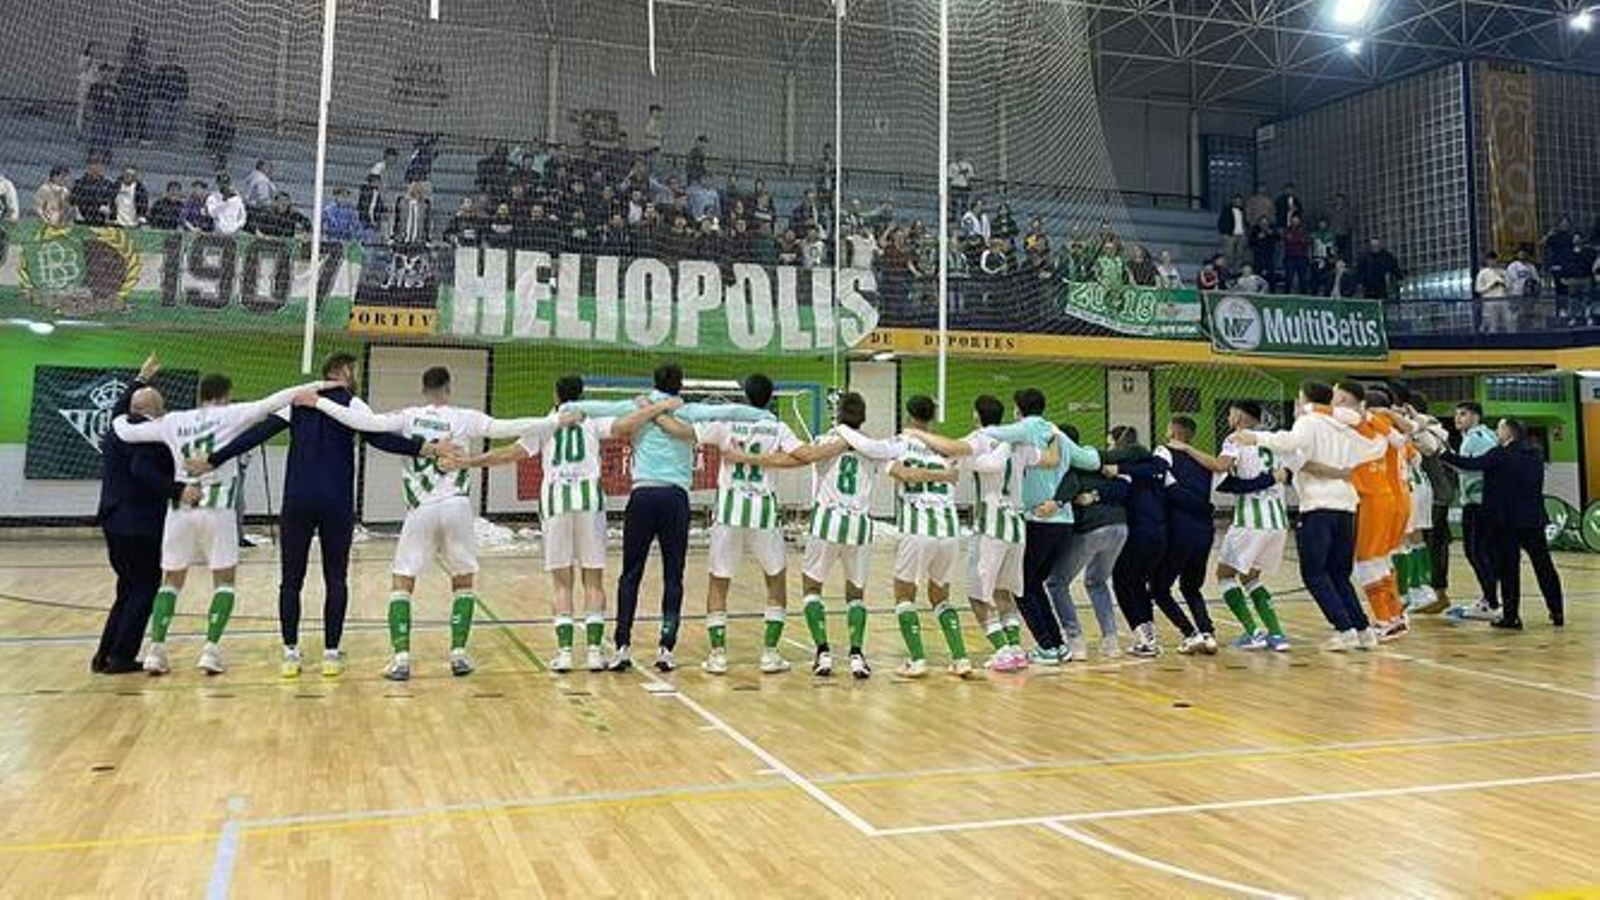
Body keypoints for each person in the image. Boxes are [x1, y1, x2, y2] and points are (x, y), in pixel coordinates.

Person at [185, 354, 436, 679]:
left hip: (298, 500)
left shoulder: (298, 401)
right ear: (344, 371)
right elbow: (380, 438)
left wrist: (214, 459)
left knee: (291, 580)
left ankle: (291, 653)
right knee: (336, 579)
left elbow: (256, 434)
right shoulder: (353, 404)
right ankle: (331, 654)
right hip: (336, 502)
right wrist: (423, 449)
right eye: (354, 370)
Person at [300, 367, 552, 680]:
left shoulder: (408, 415)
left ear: (423, 389)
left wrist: (319, 403)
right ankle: (458, 655)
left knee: (403, 580)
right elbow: (507, 427)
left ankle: (402, 659)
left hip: (421, 507)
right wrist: (554, 420)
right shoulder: (465, 417)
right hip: (458, 505)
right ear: (449, 388)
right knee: (463, 579)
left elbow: (365, 423)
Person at [442, 379, 680, 672]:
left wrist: (470, 461)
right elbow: (624, 426)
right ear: (582, 395)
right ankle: (594, 652)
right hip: (589, 503)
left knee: (561, 582)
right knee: (593, 579)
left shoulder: (546, 423)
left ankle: (566, 653)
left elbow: (508, 454)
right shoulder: (591, 419)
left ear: (555, 394)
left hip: (556, 504)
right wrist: (657, 407)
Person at [112, 373, 331, 675]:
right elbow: (275, 401)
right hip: (218, 508)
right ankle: (210, 651)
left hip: (180, 509)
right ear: (226, 394)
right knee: (224, 581)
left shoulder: (174, 420)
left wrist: (129, 399)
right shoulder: (231, 414)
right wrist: (319, 386)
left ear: (200, 394)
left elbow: (123, 430)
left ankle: (156, 650)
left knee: (171, 581)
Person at [563, 364, 767, 672]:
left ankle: (622, 646)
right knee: (674, 575)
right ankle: (665, 648)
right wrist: (767, 417)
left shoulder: (639, 404)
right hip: (675, 499)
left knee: (631, 573)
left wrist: (568, 407)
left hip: (643, 496)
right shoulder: (688, 409)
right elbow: (735, 411)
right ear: (681, 384)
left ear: (654, 382)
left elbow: (594, 407)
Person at [733, 393, 899, 678]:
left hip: (827, 521)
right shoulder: (875, 448)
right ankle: (857, 655)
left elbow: (797, 459)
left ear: (838, 415)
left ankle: (823, 652)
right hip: (859, 524)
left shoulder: (824, 442)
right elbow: (893, 464)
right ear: (864, 416)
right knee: (856, 593)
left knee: (812, 589)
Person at [1230, 381, 1385, 651]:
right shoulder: (1347, 428)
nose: (1296, 405)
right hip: (1347, 507)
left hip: (1318, 506)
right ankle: (1363, 631)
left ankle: (1344, 630)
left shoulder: (1310, 420)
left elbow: (1292, 442)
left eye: (1298, 399)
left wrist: (1255, 437)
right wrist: (1339, 469)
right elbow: (1375, 448)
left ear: (1308, 401)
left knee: (1314, 573)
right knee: (1339, 574)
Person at [670, 375, 807, 675]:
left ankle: (718, 655)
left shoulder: (727, 422)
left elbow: (684, 432)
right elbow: (802, 456)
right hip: (763, 511)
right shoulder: (778, 427)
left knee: (719, 581)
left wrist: (655, 414)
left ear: (745, 397)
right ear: (771, 398)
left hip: (730, 509)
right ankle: (769, 654)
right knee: (776, 578)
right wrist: (767, 460)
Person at [905, 396, 1036, 671]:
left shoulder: (980, 438)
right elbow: (1050, 460)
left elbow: (950, 449)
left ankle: (1002, 649)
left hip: (991, 526)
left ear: (977, 415)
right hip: (1017, 526)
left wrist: (917, 432)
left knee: (978, 594)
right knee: (1004, 592)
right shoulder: (1017, 442)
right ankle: (1014, 648)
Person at [983, 389, 1101, 663]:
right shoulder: (1057, 434)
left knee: (1022, 586)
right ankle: (1056, 645)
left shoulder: (1023, 429)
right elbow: (1092, 462)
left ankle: (1048, 646)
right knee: (1034, 584)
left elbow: (991, 434)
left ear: (1017, 409)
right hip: (1063, 522)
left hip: (1037, 519)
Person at [1168, 401, 1294, 652]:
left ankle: (1254, 632)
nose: (1228, 416)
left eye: (1230, 412)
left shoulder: (1235, 438)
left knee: (1224, 575)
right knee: (1250, 577)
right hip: (1278, 521)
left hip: (1251, 519)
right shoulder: (1272, 439)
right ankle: (1277, 635)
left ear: (1238, 416)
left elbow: (1220, 466)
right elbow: (1287, 472)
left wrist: (1187, 448)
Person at [94, 355, 184, 674]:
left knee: (126, 588)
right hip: (140, 525)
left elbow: (121, 408)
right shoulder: (151, 438)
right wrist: (178, 490)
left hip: (113, 520)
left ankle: (104, 655)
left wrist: (141, 378)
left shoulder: (117, 429)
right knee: (145, 588)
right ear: (157, 413)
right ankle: (120, 656)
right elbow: (142, 470)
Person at [874, 396, 972, 678]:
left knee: (904, 594)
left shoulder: (899, 442)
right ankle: (961, 658)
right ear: (933, 416)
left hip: (918, 528)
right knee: (941, 596)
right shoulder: (947, 448)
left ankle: (917, 660)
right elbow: (952, 473)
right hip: (950, 530)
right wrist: (943, 476)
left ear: (908, 414)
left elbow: (902, 473)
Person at [1441, 418, 1564, 630]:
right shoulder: (1535, 454)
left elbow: (1470, 464)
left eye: (1499, 429)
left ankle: (1511, 616)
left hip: (1505, 521)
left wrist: (1442, 454)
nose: (1496, 433)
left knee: (1509, 570)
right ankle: (1557, 611)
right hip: (1533, 519)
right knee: (1544, 566)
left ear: (1508, 432)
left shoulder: (1499, 454)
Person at [1044, 424, 1129, 657]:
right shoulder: (1096, 460)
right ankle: (1111, 641)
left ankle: (1075, 640)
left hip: (1093, 528)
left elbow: (1067, 489)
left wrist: (1060, 501)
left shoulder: (1067, 465)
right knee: (1097, 582)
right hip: (1120, 527)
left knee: (1056, 582)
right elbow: (1124, 487)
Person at [1149, 416, 1221, 655]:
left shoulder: (1163, 451)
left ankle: (1190, 633)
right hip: (1205, 531)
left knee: (1159, 588)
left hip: (1179, 529)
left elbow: (1164, 485)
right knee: (1191, 587)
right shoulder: (1203, 460)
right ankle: (1208, 634)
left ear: (1172, 430)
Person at [1102, 426, 1171, 656]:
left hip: (1139, 532)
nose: (1109, 449)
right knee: (1138, 583)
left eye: (1110, 444)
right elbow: (1160, 467)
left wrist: (1098, 491)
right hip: (1160, 533)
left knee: (1122, 582)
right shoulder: (1151, 467)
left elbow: (1118, 493)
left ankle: (1143, 635)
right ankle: (1148, 636)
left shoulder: (1126, 470)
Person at [1447, 401, 1501, 621]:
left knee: (1476, 552)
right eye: (1456, 414)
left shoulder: (1476, 439)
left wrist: (1444, 455)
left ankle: (1490, 602)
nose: (1458, 418)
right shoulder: (1482, 436)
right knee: (1483, 553)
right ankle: (1489, 599)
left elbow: (1473, 466)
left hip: (1478, 503)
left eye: (1463, 414)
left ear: (1476, 416)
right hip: (1483, 502)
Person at [1475, 251, 1513, 332]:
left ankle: (1511, 340)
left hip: (1503, 299)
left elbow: (1510, 286)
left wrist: (1503, 284)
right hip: (1489, 301)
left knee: (1509, 321)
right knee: (1492, 323)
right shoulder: (1482, 273)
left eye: (1494, 259)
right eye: (1490, 260)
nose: (1492, 262)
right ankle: (1492, 341)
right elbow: (1478, 289)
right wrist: (1490, 285)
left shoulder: (1503, 272)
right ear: (1486, 261)